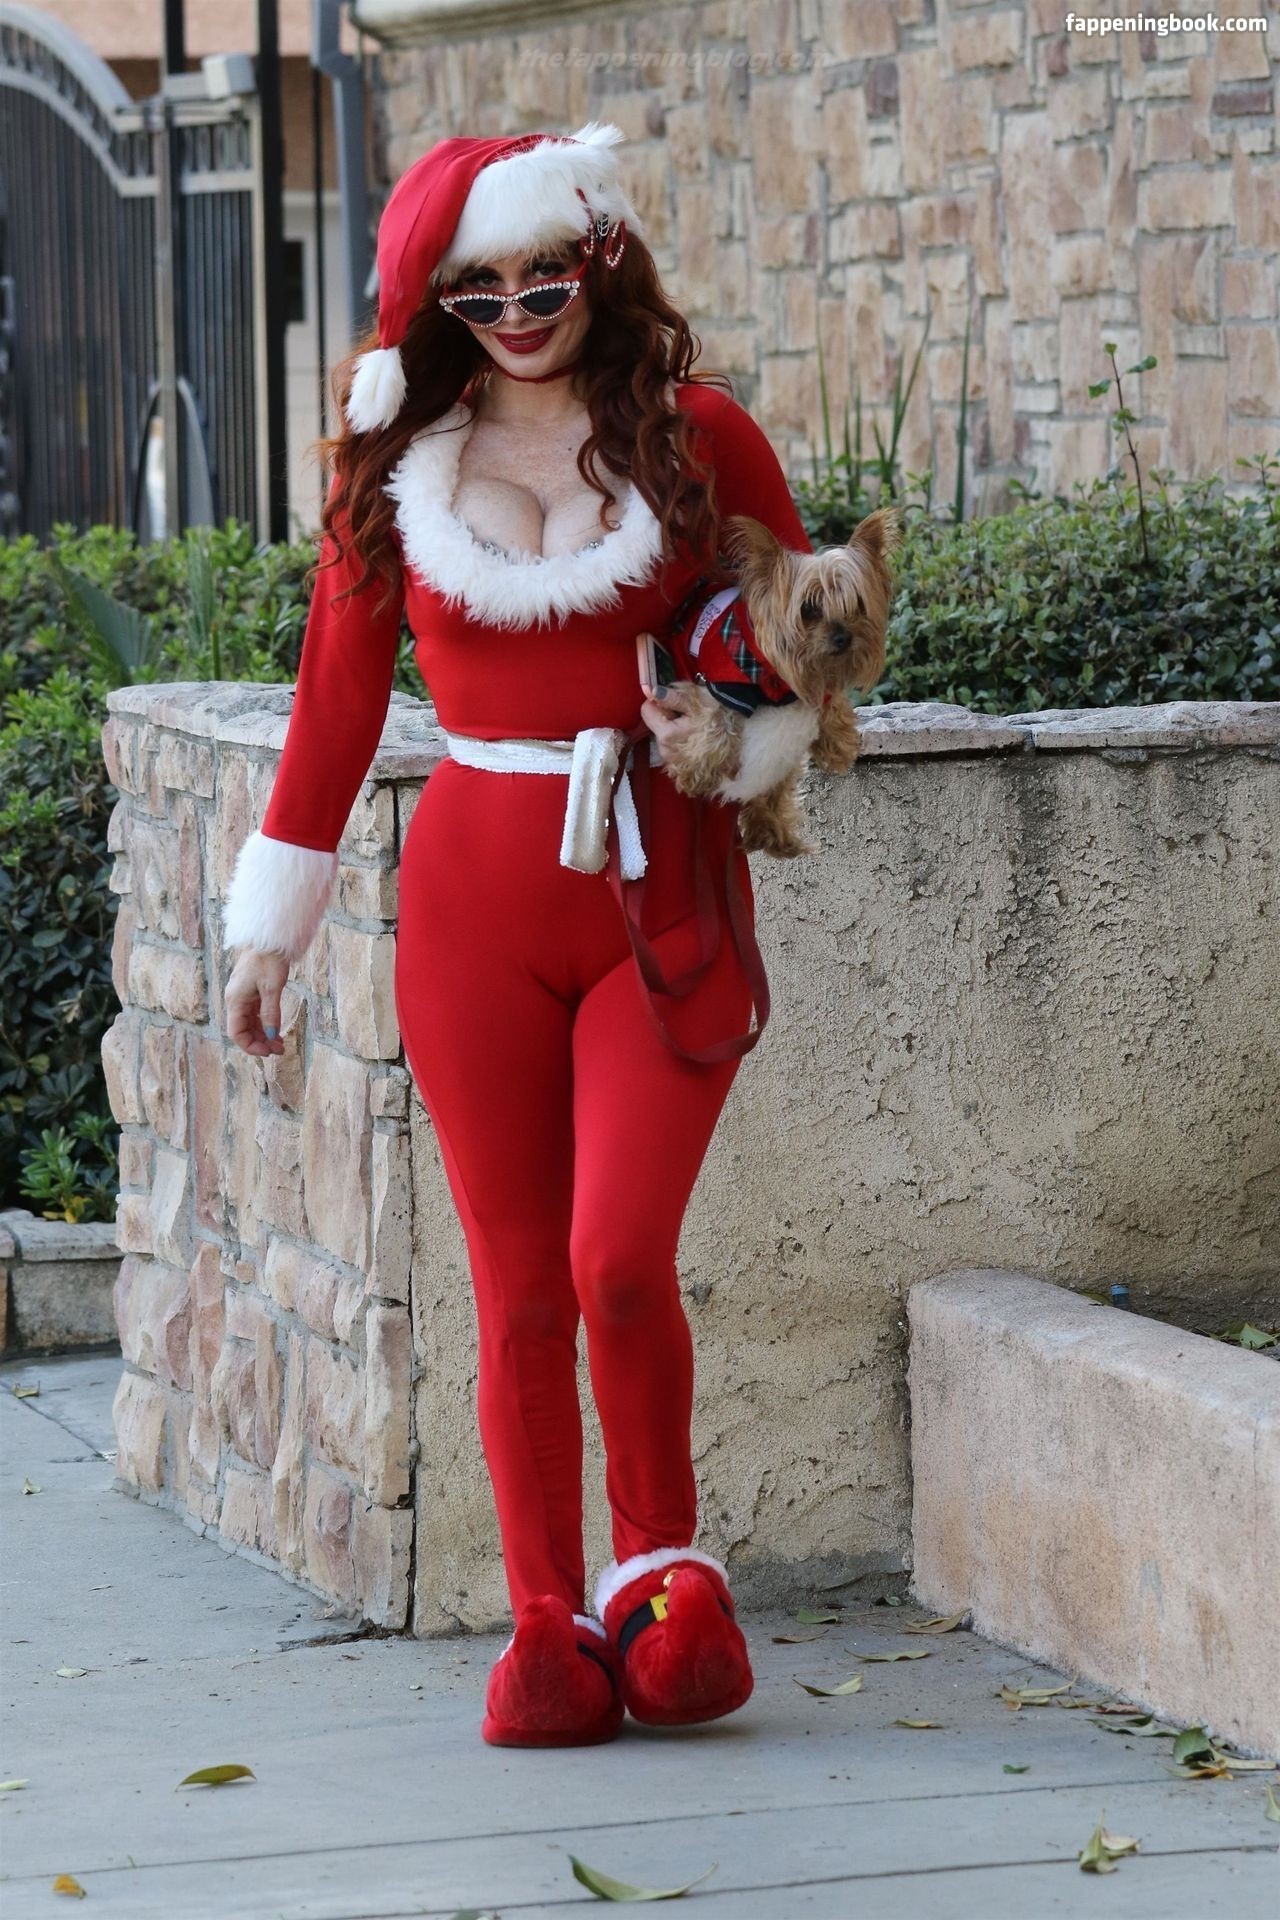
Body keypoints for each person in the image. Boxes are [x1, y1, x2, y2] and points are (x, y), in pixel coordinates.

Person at [222, 121, 814, 1748]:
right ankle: (548, 1621)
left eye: (542, 275)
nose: (515, 310)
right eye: (475, 289)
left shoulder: (698, 435)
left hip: (654, 887)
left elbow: (811, 634)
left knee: (617, 1258)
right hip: (471, 912)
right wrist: (271, 927)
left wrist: (743, 730)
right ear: (435, 303)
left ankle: (663, 1580)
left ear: (597, 255)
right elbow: (336, 699)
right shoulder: (397, 462)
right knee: (517, 1287)